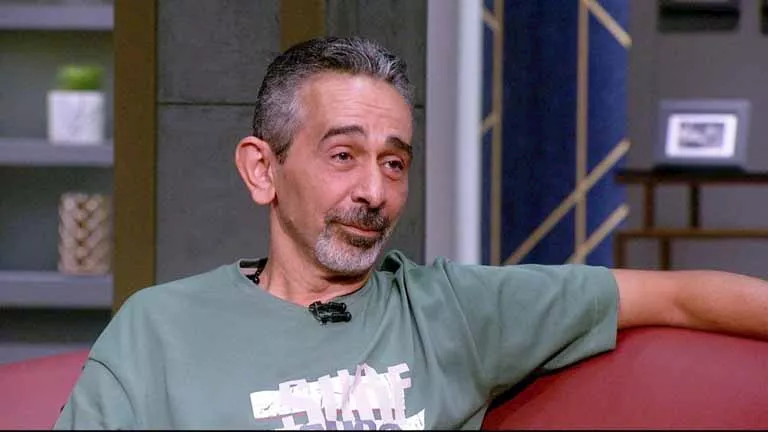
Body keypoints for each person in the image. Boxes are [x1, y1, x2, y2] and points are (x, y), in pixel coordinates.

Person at [55, 36, 768, 430]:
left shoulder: (453, 311)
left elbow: (678, 296)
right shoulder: (160, 330)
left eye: (394, 163)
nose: (374, 192)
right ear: (262, 170)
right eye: (343, 156)